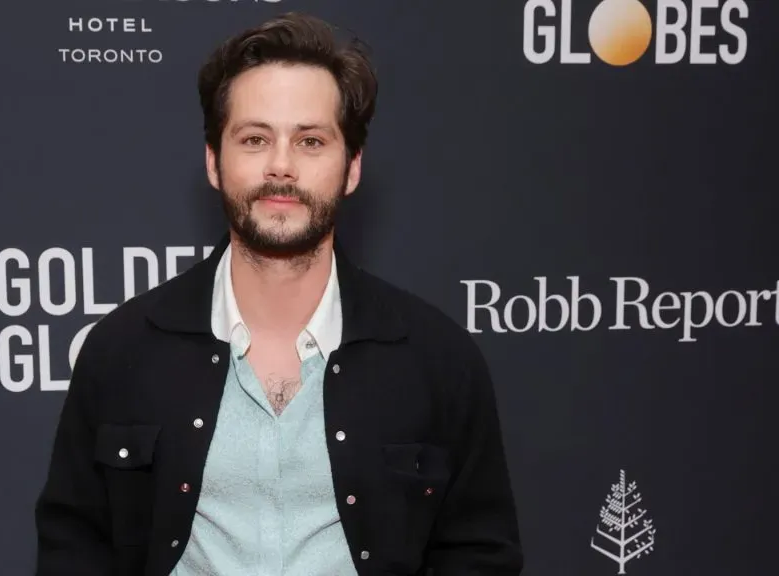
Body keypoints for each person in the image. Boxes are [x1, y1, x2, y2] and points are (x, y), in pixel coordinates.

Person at [34, 11, 523, 576]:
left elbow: (479, 554)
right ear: (215, 162)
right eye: (255, 138)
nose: (282, 166)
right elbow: (73, 544)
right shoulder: (121, 350)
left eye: (311, 141)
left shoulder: (439, 360)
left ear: (352, 167)